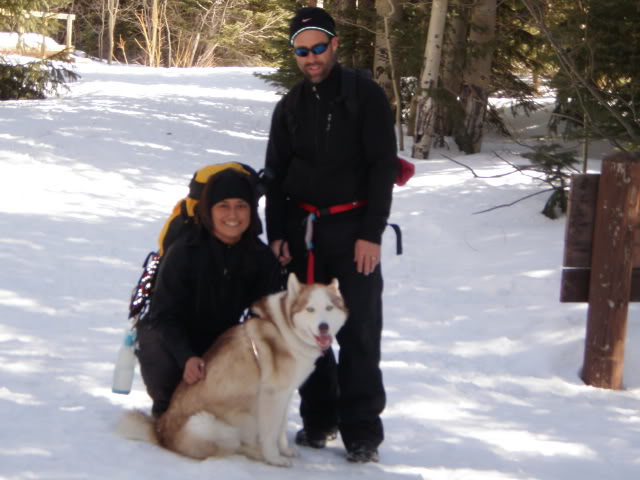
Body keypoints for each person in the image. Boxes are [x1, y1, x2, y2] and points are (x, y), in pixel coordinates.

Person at [263, 7, 397, 464]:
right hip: (303, 233)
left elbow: (382, 167)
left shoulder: (364, 96)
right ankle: (319, 420)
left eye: (318, 47)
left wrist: (371, 233)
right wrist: (277, 234)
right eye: (302, 51)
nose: (311, 57)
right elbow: (276, 175)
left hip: (353, 231)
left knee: (359, 331)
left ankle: (362, 432)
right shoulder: (291, 107)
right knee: (307, 328)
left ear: (334, 45)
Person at [135, 167, 283, 418]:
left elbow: (267, 317)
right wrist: (187, 357)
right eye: (223, 206)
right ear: (208, 210)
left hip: (224, 344)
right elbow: (163, 314)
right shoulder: (184, 251)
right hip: (178, 340)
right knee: (153, 334)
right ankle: (166, 403)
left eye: (241, 205)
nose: (233, 215)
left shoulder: (261, 258)